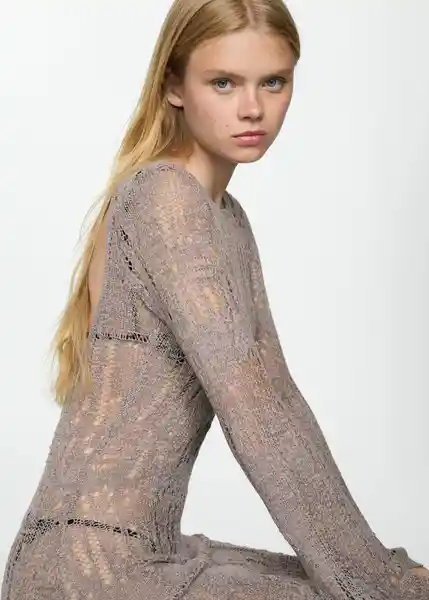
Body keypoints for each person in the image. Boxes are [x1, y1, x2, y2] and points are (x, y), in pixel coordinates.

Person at [2, 0, 428, 598]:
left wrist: (378, 574)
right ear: (174, 85)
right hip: (89, 571)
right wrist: (377, 582)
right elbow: (260, 414)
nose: (252, 108)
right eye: (223, 83)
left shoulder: (227, 218)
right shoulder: (165, 199)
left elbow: (277, 397)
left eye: (272, 82)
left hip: (136, 553)